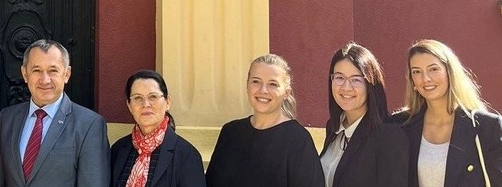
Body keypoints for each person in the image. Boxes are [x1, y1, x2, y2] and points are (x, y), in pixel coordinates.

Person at [0, 39, 110, 187]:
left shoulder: (90, 125)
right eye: (36, 70)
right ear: (25, 74)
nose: (45, 80)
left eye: (53, 70)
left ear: (66, 74)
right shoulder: (7, 118)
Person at [392, 39, 502, 187]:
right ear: (412, 81)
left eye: (433, 69)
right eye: (417, 72)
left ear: (450, 73)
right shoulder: (399, 125)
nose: (426, 79)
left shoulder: (486, 126)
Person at [205, 53, 323, 187]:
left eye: (273, 84)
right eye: (256, 81)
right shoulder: (230, 132)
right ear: (247, 85)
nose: (263, 90)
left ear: (286, 93)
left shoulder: (298, 140)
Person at [318, 43, 406, 187]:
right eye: (340, 77)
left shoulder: (389, 136)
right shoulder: (333, 128)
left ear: (370, 84)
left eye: (356, 80)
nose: (346, 87)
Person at [110, 70, 205, 187]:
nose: (146, 104)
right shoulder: (118, 150)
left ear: (167, 102)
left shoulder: (187, 155)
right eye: (137, 98)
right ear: (129, 105)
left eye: (153, 96)